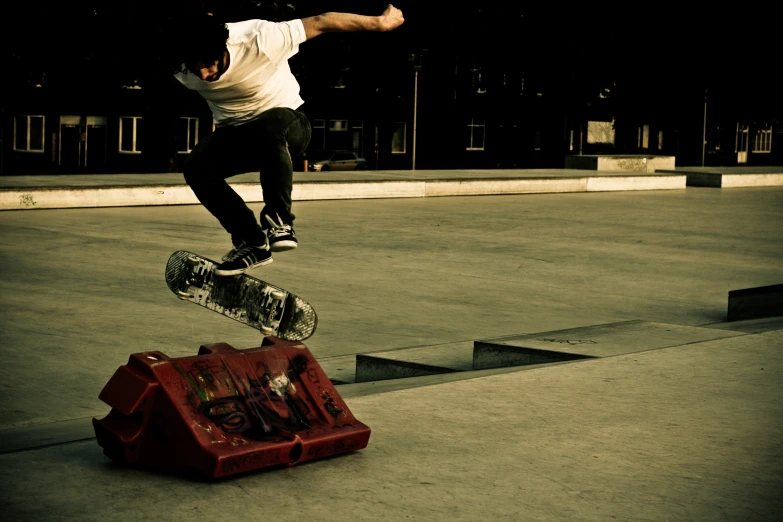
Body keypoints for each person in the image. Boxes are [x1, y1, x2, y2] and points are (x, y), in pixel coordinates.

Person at [168, 5, 405, 276]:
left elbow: (322, 21)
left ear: (223, 50)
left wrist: (380, 23)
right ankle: (252, 242)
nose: (204, 76)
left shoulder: (261, 39)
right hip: (238, 136)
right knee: (196, 168)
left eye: (209, 66)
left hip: (289, 126)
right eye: (194, 70)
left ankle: (279, 219)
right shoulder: (180, 63)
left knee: (270, 126)